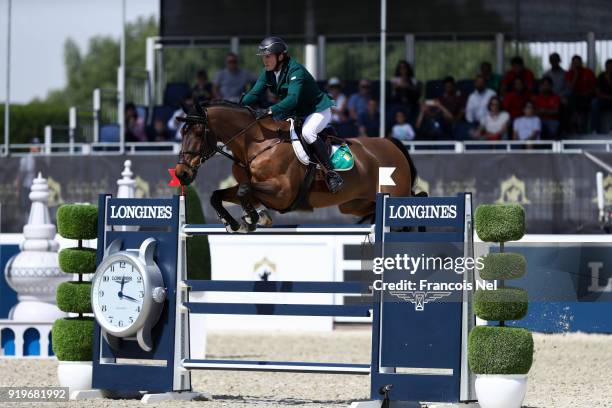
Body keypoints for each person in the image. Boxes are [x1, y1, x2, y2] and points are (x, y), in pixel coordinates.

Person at [240, 36, 342, 193]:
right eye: (263, 57)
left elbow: (293, 99)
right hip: (296, 113)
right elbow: (254, 94)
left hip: (317, 110)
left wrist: (269, 110)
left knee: (308, 133)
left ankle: (331, 173)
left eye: (268, 57)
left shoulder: (296, 70)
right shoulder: (267, 73)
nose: (265, 61)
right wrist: (237, 107)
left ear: (280, 56)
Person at [565, 55, 596, 133]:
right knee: (570, 98)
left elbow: (594, 88)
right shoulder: (569, 73)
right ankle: (574, 123)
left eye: (578, 62)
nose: (576, 64)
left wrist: (587, 93)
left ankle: (592, 129)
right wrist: (576, 74)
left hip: (587, 97)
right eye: (575, 62)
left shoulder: (588, 72)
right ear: (572, 63)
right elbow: (570, 88)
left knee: (594, 103)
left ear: (581, 63)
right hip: (575, 98)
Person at [592, 59, 612, 133]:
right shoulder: (601, 76)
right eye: (608, 66)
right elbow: (597, 92)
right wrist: (607, 97)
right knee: (594, 103)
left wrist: (609, 80)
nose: (610, 68)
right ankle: (595, 129)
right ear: (605, 67)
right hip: (603, 99)